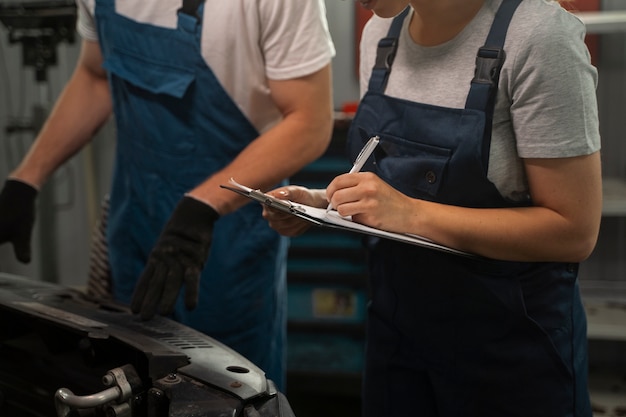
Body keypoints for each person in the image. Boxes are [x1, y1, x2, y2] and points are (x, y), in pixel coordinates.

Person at [263, 0, 602, 415]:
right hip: (397, 340)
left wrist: (412, 214)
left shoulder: (537, 37)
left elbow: (574, 231)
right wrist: (322, 203)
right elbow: (390, 188)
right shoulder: (380, 36)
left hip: (510, 355)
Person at [0, 0, 335, 390]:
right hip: (136, 215)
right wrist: (27, 178)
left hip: (224, 233)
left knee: (225, 386)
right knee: (128, 375)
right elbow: (95, 75)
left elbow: (309, 122)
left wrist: (204, 205)